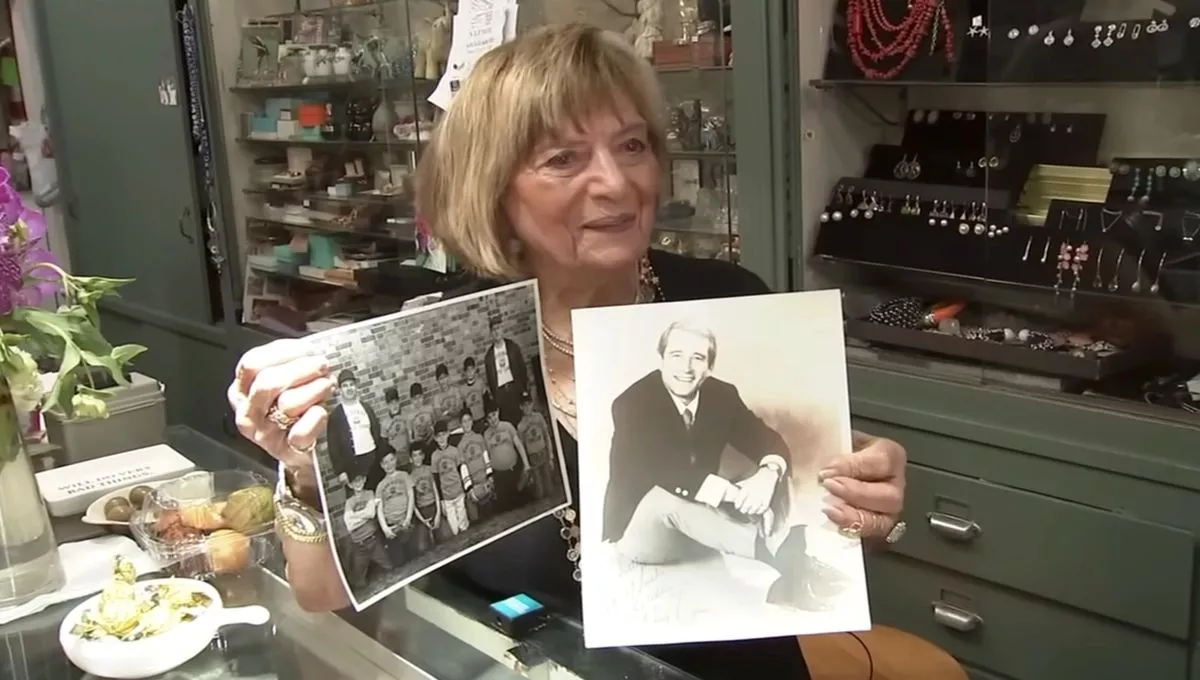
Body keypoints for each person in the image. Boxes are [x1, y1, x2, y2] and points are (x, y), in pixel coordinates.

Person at [228, 23, 907, 680]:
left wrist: (858, 503)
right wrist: (304, 472)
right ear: (494, 190)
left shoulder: (728, 304)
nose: (616, 183)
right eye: (563, 158)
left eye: (633, 146)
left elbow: (815, 496)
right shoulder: (446, 339)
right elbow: (324, 594)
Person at [604, 320, 845, 610]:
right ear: (661, 358)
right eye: (677, 355)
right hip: (642, 532)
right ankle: (784, 555)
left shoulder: (721, 395)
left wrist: (766, 476)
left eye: (698, 358)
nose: (686, 368)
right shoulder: (632, 403)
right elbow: (659, 468)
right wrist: (735, 495)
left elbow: (765, 439)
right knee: (664, 497)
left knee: (766, 470)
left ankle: (793, 561)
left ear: (709, 366)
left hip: (699, 529)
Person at [326, 369, 389, 491]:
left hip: (373, 459)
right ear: (340, 390)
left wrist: (381, 455)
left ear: (356, 387)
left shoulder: (366, 407)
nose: (349, 388)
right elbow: (333, 446)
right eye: (345, 386)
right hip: (353, 466)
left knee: (380, 495)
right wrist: (340, 471)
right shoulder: (336, 415)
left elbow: (376, 431)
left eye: (351, 384)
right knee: (360, 504)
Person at [342, 472, 393, 589]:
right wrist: (365, 513)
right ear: (350, 485)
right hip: (359, 545)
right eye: (354, 482)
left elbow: (371, 513)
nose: (358, 483)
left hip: (373, 540)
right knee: (358, 582)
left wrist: (355, 516)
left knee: (389, 568)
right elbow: (349, 525)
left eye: (360, 480)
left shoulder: (369, 494)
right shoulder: (349, 502)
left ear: (364, 479)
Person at [482, 398, 530, 511]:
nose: (492, 419)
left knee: (523, 502)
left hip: (514, 471)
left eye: (493, 415)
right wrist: (489, 477)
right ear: (486, 420)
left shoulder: (508, 426)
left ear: (498, 412)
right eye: (489, 417)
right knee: (505, 508)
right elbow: (487, 456)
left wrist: (526, 464)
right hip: (499, 476)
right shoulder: (486, 434)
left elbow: (518, 445)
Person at [482, 316, 528, 425]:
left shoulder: (512, 347)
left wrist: (524, 389)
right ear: (491, 333)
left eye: (498, 328)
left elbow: (522, 369)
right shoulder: (489, 356)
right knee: (507, 424)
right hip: (501, 394)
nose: (496, 331)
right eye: (493, 329)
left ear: (502, 329)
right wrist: (496, 397)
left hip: (515, 389)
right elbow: (490, 379)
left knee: (522, 422)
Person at [429, 420, 470, 537]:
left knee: (463, 525)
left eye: (443, 435)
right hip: (447, 498)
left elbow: (460, 470)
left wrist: (465, 488)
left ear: (448, 434)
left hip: (458, 493)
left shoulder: (454, 451)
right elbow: (436, 479)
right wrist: (441, 500)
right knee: (454, 530)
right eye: (438, 436)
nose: (441, 439)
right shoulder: (434, 456)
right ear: (435, 438)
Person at [375, 452, 417, 564]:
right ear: (381, 465)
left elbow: (411, 496)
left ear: (396, 460)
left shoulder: (404, 476)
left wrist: (408, 519)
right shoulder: (380, 486)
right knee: (399, 562)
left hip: (406, 522)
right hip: (392, 527)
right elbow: (379, 509)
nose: (389, 465)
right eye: (385, 462)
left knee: (416, 553)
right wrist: (385, 529)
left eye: (391, 460)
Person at [516, 391, 556, 500]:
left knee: (549, 488)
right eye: (524, 405)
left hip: (543, 452)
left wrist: (550, 454)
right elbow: (522, 447)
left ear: (532, 404)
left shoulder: (538, 417)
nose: (527, 407)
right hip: (532, 457)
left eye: (529, 404)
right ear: (520, 407)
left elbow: (546, 435)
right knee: (540, 491)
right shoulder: (520, 426)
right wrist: (526, 464)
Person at [458, 411, 496, 522]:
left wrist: (490, 476)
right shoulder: (460, 446)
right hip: (475, 486)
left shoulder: (479, 437)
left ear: (472, 421)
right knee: (479, 520)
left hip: (485, 481)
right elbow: (463, 468)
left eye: (469, 420)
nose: (467, 424)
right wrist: (470, 489)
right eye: (464, 421)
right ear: (461, 424)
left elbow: (485, 456)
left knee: (492, 518)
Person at [408, 448, 439, 551]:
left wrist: (438, 514)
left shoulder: (429, 469)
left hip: (434, 506)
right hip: (422, 512)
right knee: (422, 547)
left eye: (419, 454)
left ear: (423, 456)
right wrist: (423, 520)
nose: (417, 458)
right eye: (414, 456)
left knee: (447, 536)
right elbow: (413, 504)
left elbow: (436, 492)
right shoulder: (410, 477)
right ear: (410, 459)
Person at [381, 387, 410, 466]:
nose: (394, 405)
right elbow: (385, 445)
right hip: (395, 461)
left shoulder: (407, 416)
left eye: (395, 402)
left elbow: (412, 436)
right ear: (387, 405)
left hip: (409, 456)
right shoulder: (384, 423)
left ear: (399, 401)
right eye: (391, 403)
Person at [406, 382, 435, 454]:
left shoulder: (430, 409)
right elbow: (410, 438)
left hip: (432, 442)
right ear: (411, 400)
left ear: (423, 396)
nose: (418, 401)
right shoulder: (410, 416)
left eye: (419, 397)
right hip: (420, 448)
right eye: (415, 398)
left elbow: (435, 425)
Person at [460, 357, 489, 424]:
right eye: (467, 370)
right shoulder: (463, 389)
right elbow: (464, 408)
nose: (470, 372)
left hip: (483, 418)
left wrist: (487, 417)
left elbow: (487, 401)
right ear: (465, 372)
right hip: (472, 421)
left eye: (472, 369)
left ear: (475, 369)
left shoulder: (480, 383)